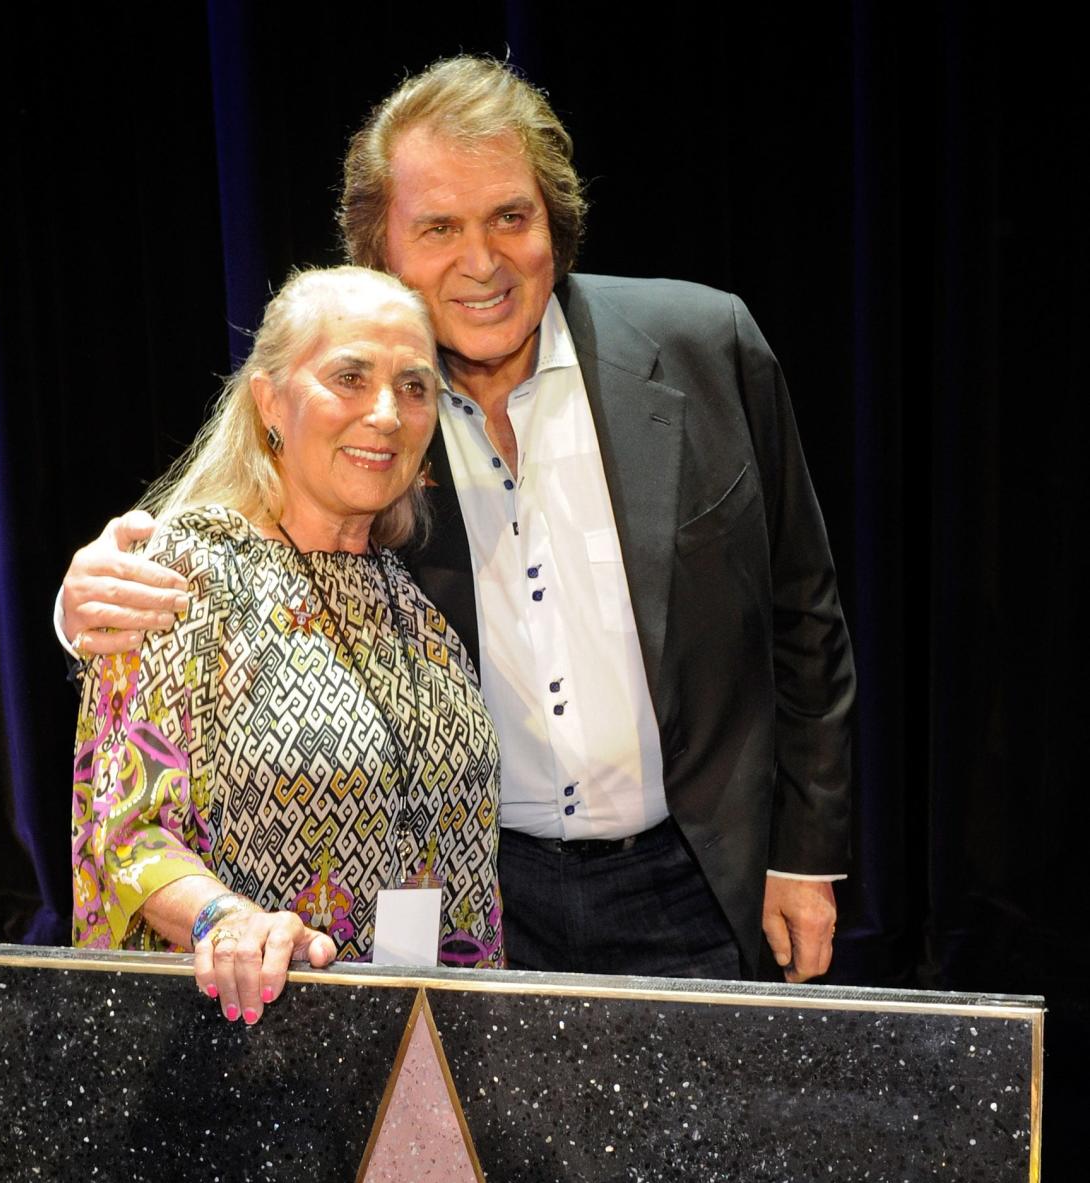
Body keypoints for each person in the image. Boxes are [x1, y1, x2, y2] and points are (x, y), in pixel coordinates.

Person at [60, 56, 853, 984]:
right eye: (439, 227)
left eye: (510, 217)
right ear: (382, 251)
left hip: (700, 878)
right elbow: (222, 569)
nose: (482, 261)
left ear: (552, 222)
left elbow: (806, 612)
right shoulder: (372, 432)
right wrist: (81, 613)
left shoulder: (706, 347)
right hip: (484, 903)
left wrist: (806, 852)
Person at [72, 265, 502, 1022]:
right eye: (350, 376)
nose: (386, 413)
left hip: (428, 1045)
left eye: (414, 387)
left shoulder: (413, 600)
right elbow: (126, 830)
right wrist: (226, 923)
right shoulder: (188, 571)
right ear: (270, 401)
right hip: (246, 1037)